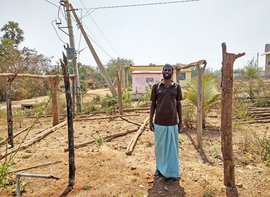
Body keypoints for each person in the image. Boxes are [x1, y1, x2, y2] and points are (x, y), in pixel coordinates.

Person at [149, 64, 183, 181]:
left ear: (172, 72)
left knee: (173, 148)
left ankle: (173, 171)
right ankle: (159, 169)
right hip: (159, 122)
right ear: (162, 71)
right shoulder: (156, 87)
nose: (167, 71)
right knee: (160, 148)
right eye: (165, 69)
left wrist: (181, 122)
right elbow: (153, 104)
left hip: (173, 122)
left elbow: (178, 104)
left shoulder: (176, 87)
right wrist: (150, 121)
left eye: (169, 69)